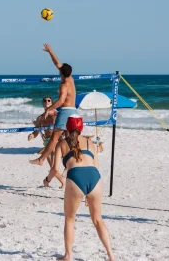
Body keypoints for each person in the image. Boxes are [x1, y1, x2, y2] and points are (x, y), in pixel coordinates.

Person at [45, 115, 114, 261]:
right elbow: (96, 166)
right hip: (95, 178)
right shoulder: (90, 142)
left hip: (76, 177)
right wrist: (89, 195)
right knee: (98, 220)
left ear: (67, 128)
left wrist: (47, 180)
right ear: (81, 128)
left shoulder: (62, 143)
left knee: (70, 219)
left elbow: (55, 169)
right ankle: (111, 255)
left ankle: (68, 255)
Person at [30, 43, 77, 166]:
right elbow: (58, 64)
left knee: (55, 137)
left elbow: (61, 101)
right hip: (74, 111)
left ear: (61, 73)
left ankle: (41, 160)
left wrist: (48, 110)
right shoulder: (70, 78)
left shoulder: (63, 85)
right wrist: (50, 51)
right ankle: (72, 160)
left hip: (66, 111)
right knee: (69, 138)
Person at [28, 96, 64, 187]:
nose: (46, 102)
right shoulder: (40, 118)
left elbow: (64, 127)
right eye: (44, 100)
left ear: (52, 103)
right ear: (42, 103)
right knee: (52, 167)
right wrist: (32, 135)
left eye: (49, 100)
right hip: (47, 142)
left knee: (54, 166)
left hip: (57, 140)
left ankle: (56, 182)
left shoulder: (57, 114)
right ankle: (59, 183)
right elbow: (37, 131)